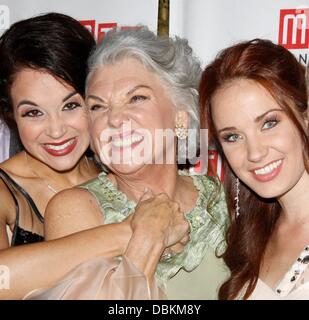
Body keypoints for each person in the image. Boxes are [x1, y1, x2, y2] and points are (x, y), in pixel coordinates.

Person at [34, 27, 229, 300]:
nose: (113, 119)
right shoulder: (76, 209)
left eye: (136, 98)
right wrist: (147, 237)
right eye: (98, 107)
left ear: (180, 117)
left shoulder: (223, 200)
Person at [0, 13, 184, 300]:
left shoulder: (122, 172)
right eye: (33, 112)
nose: (56, 130)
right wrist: (134, 231)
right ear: (12, 115)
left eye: (71, 105)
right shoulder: (4, 190)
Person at [199, 39, 309, 299]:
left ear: (305, 118)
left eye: (269, 123)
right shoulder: (252, 233)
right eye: (233, 137)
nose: (255, 153)